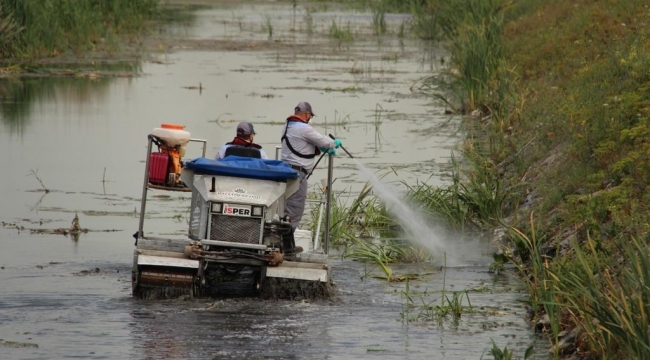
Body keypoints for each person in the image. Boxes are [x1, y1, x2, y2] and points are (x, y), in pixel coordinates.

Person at [280, 101, 342, 260]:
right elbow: (325, 141)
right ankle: (285, 250)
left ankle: (288, 246)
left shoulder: (287, 126)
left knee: (287, 211)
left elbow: (301, 146)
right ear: (307, 114)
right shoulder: (304, 128)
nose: (310, 118)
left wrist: (319, 149)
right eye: (310, 115)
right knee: (294, 211)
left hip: (287, 172)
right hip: (297, 175)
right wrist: (333, 143)